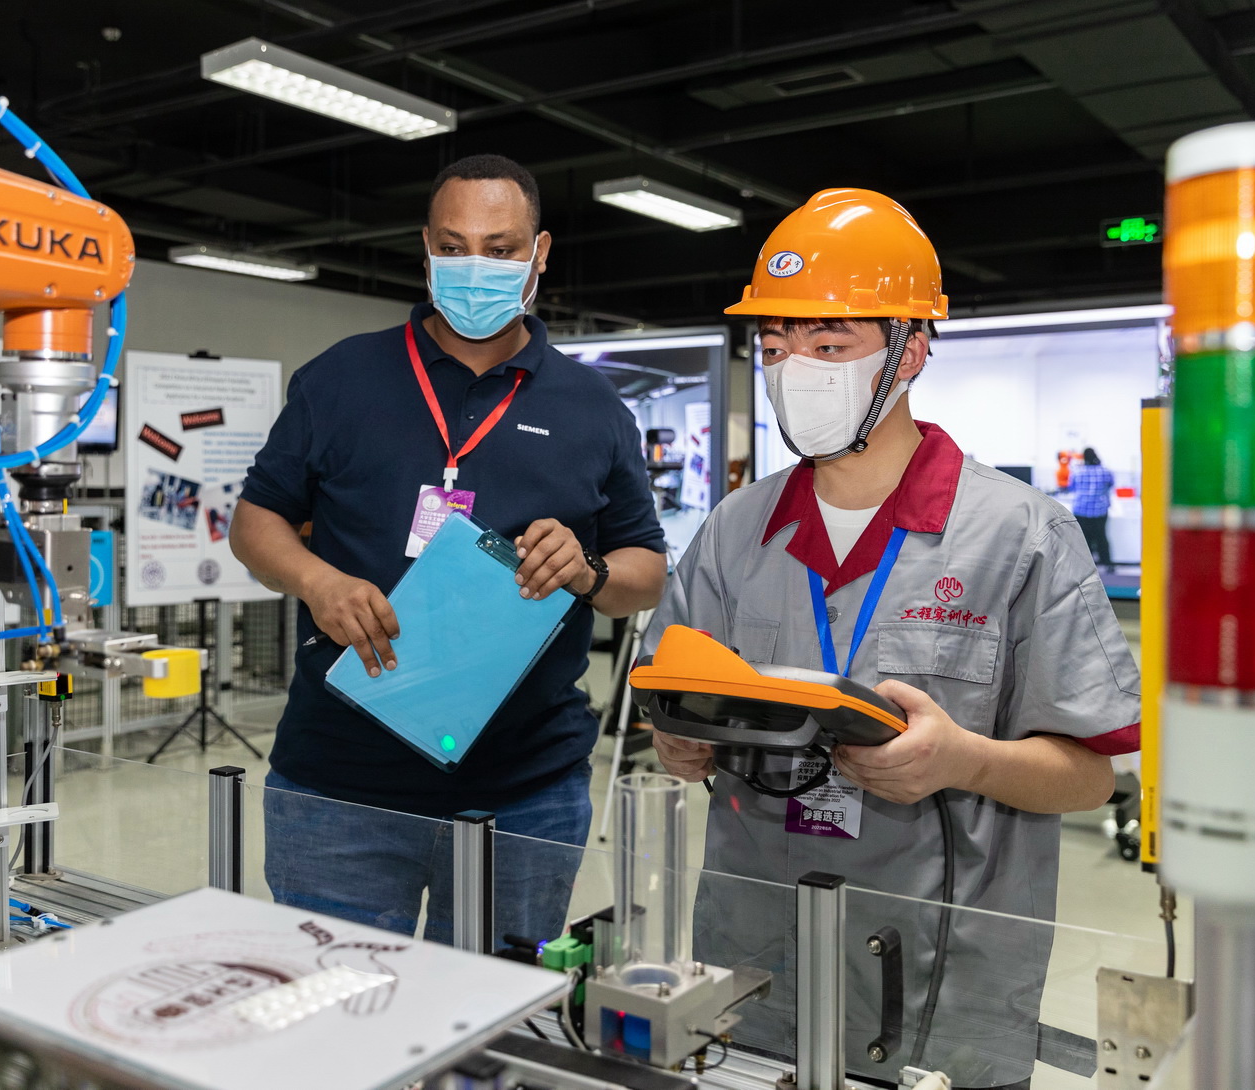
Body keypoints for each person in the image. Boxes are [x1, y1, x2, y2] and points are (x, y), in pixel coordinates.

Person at [645, 189, 1140, 1089]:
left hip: (937, 987)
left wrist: (962, 760)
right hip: (756, 971)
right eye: (774, 346)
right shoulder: (733, 531)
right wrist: (679, 742)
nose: (794, 370)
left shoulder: (1019, 536)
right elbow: (673, 701)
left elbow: (1089, 775)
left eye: (829, 346)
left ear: (908, 351)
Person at [232, 153, 667, 945]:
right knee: (337, 1007)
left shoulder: (593, 407)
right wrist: (317, 581)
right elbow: (255, 520)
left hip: (525, 793)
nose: (475, 269)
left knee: (494, 1015)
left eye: (500, 250)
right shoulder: (341, 379)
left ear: (539, 253)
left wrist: (588, 570)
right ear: (426, 249)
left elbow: (645, 569)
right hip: (338, 784)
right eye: (453, 246)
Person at [1069, 447, 1115, 567]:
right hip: (1100, 510)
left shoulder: (1077, 472)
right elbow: (1110, 485)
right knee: (1101, 538)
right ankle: (1107, 564)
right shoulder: (1105, 471)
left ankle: (1085, 566)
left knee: (1084, 539)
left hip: (1081, 510)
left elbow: (1071, 487)